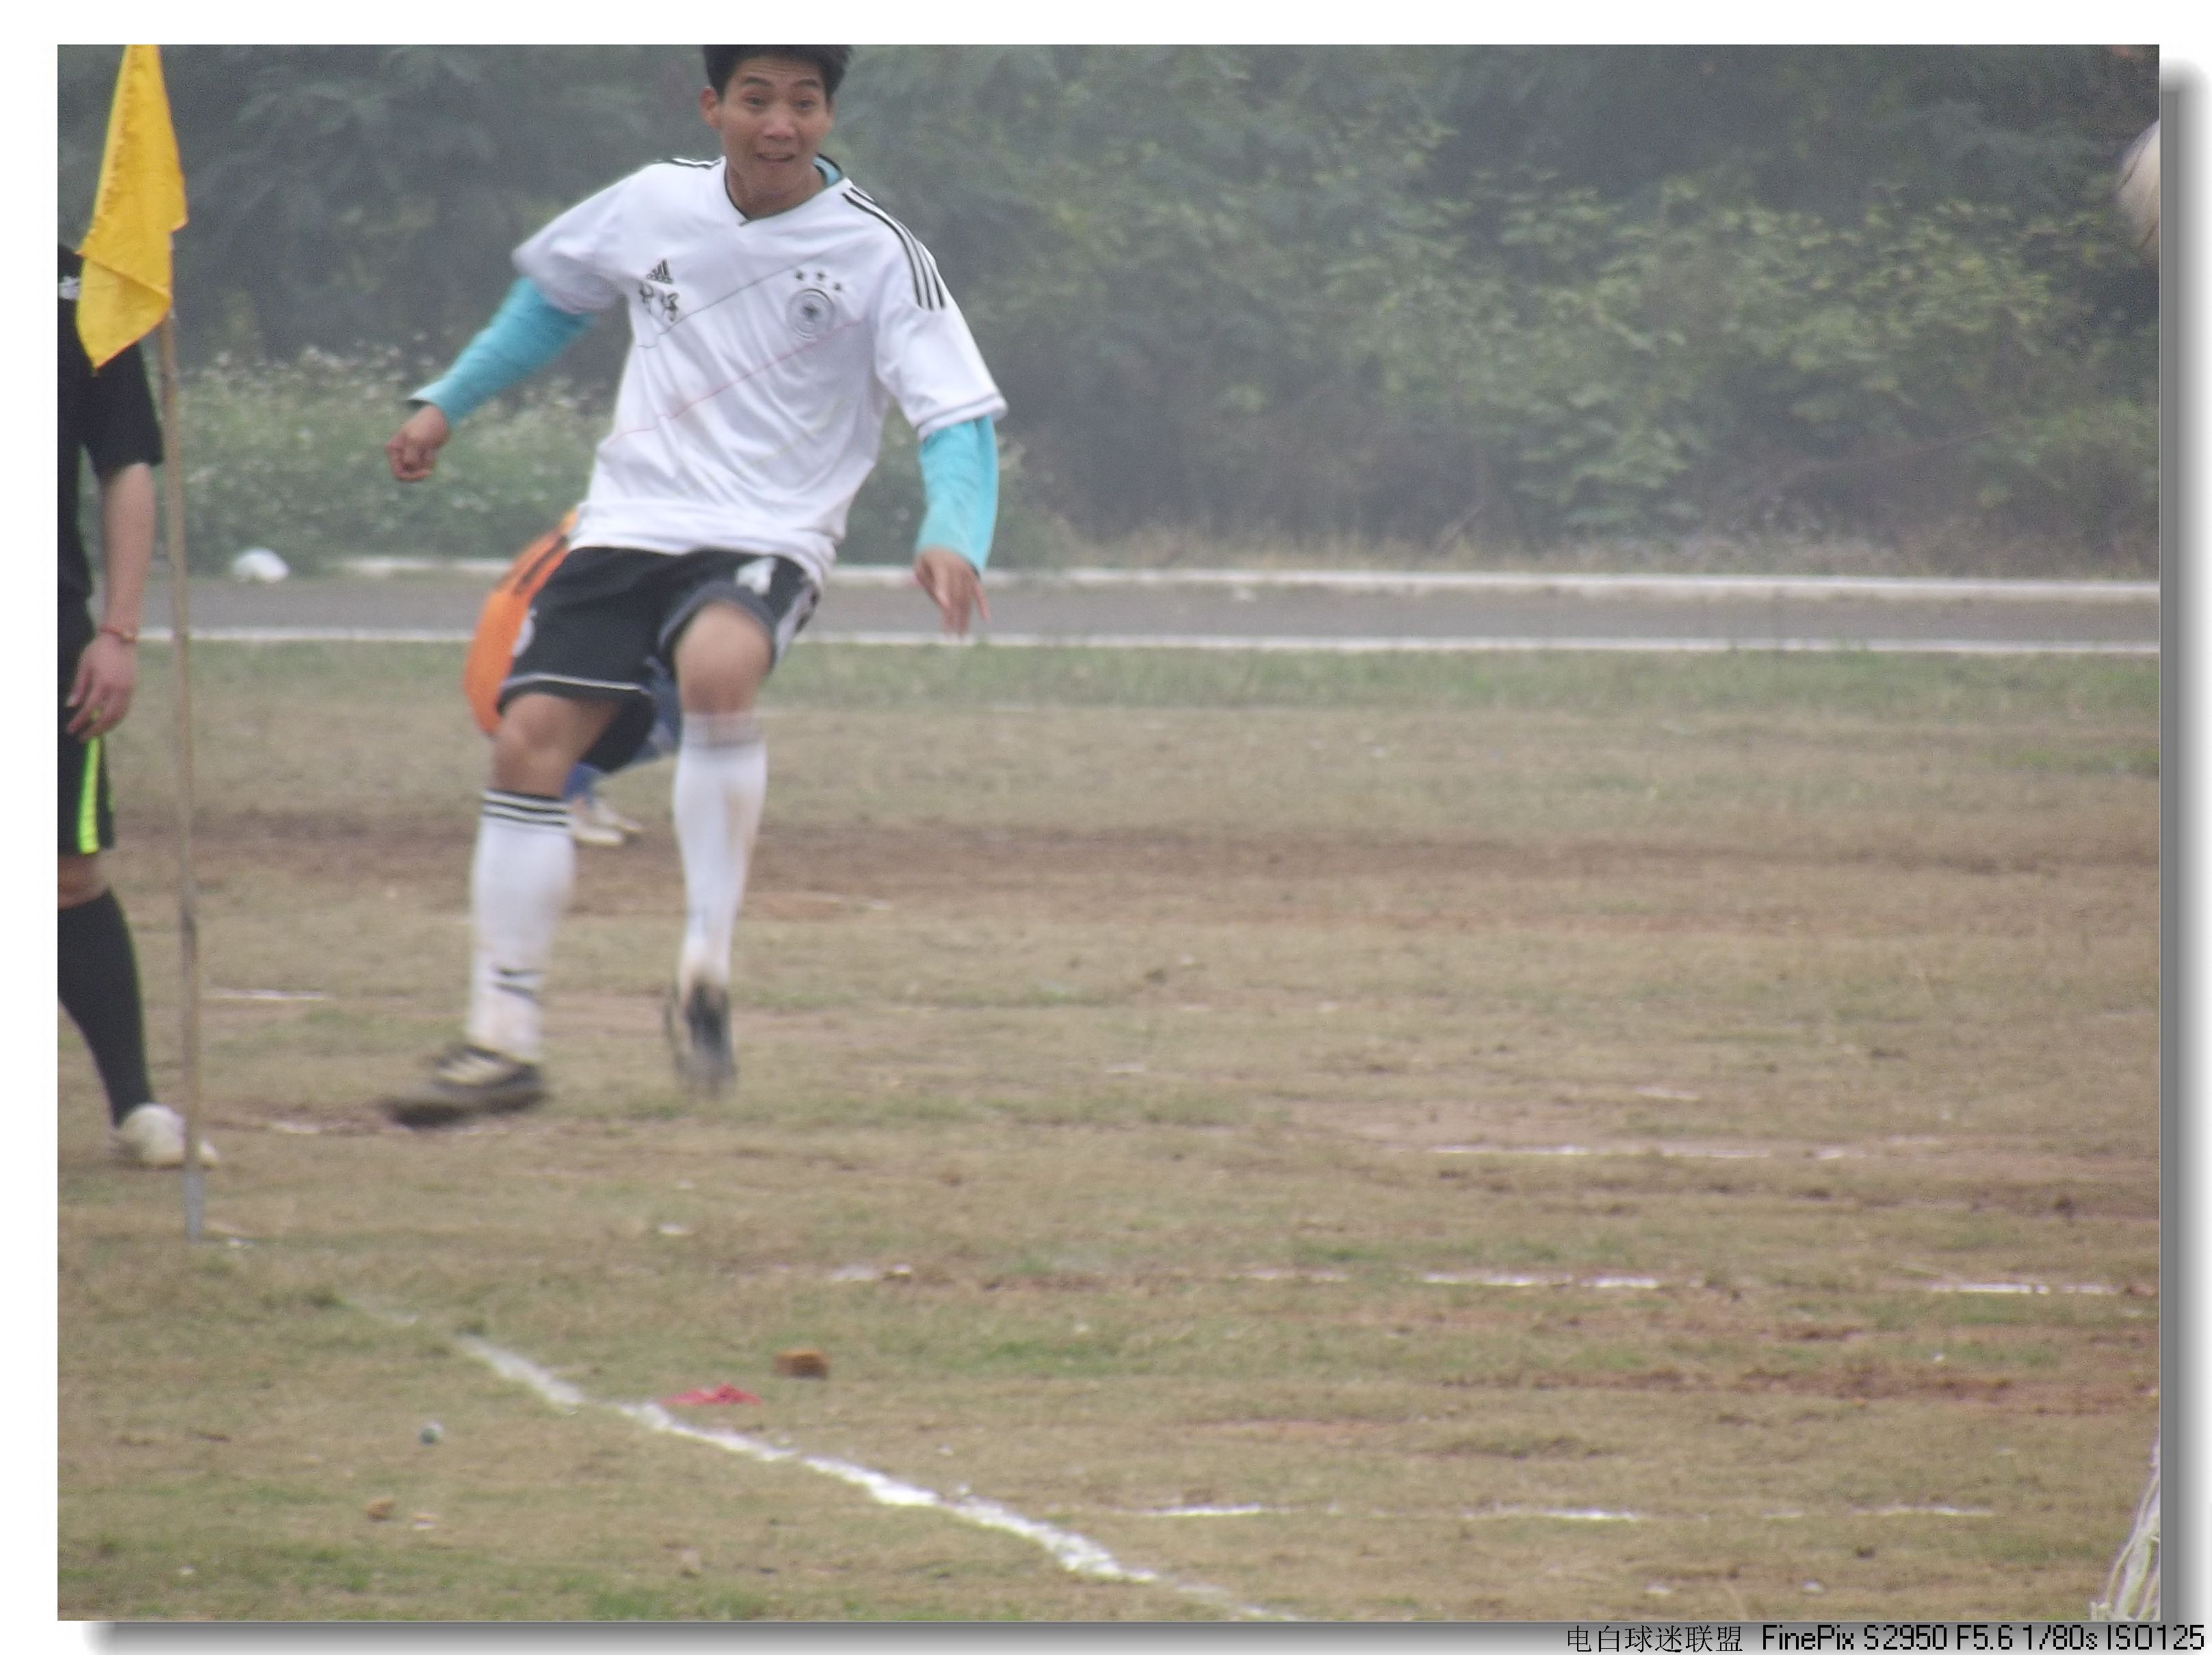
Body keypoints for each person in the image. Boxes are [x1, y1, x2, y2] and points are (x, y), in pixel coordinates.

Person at [382, 45, 1004, 1125]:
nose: (780, 123)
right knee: (527, 742)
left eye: (804, 101)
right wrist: (447, 402)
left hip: (769, 530)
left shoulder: (880, 253)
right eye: (757, 99)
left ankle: (704, 965)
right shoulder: (651, 203)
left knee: (719, 667)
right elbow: (553, 300)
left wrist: (955, 532)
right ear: (714, 107)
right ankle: (501, 1038)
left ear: (828, 115)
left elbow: (956, 414)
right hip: (628, 524)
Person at [57, 243, 217, 1168]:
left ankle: (136, 1107)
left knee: (65, 874)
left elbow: (125, 464)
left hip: (45, 626)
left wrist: (117, 630)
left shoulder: (81, 290)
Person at [464, 510, 679, 848]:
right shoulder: (619, 536)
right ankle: (563, 793)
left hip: (503, 680)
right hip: (526, 689)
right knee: (685, 700)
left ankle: (578, 793)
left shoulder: (588, 523)